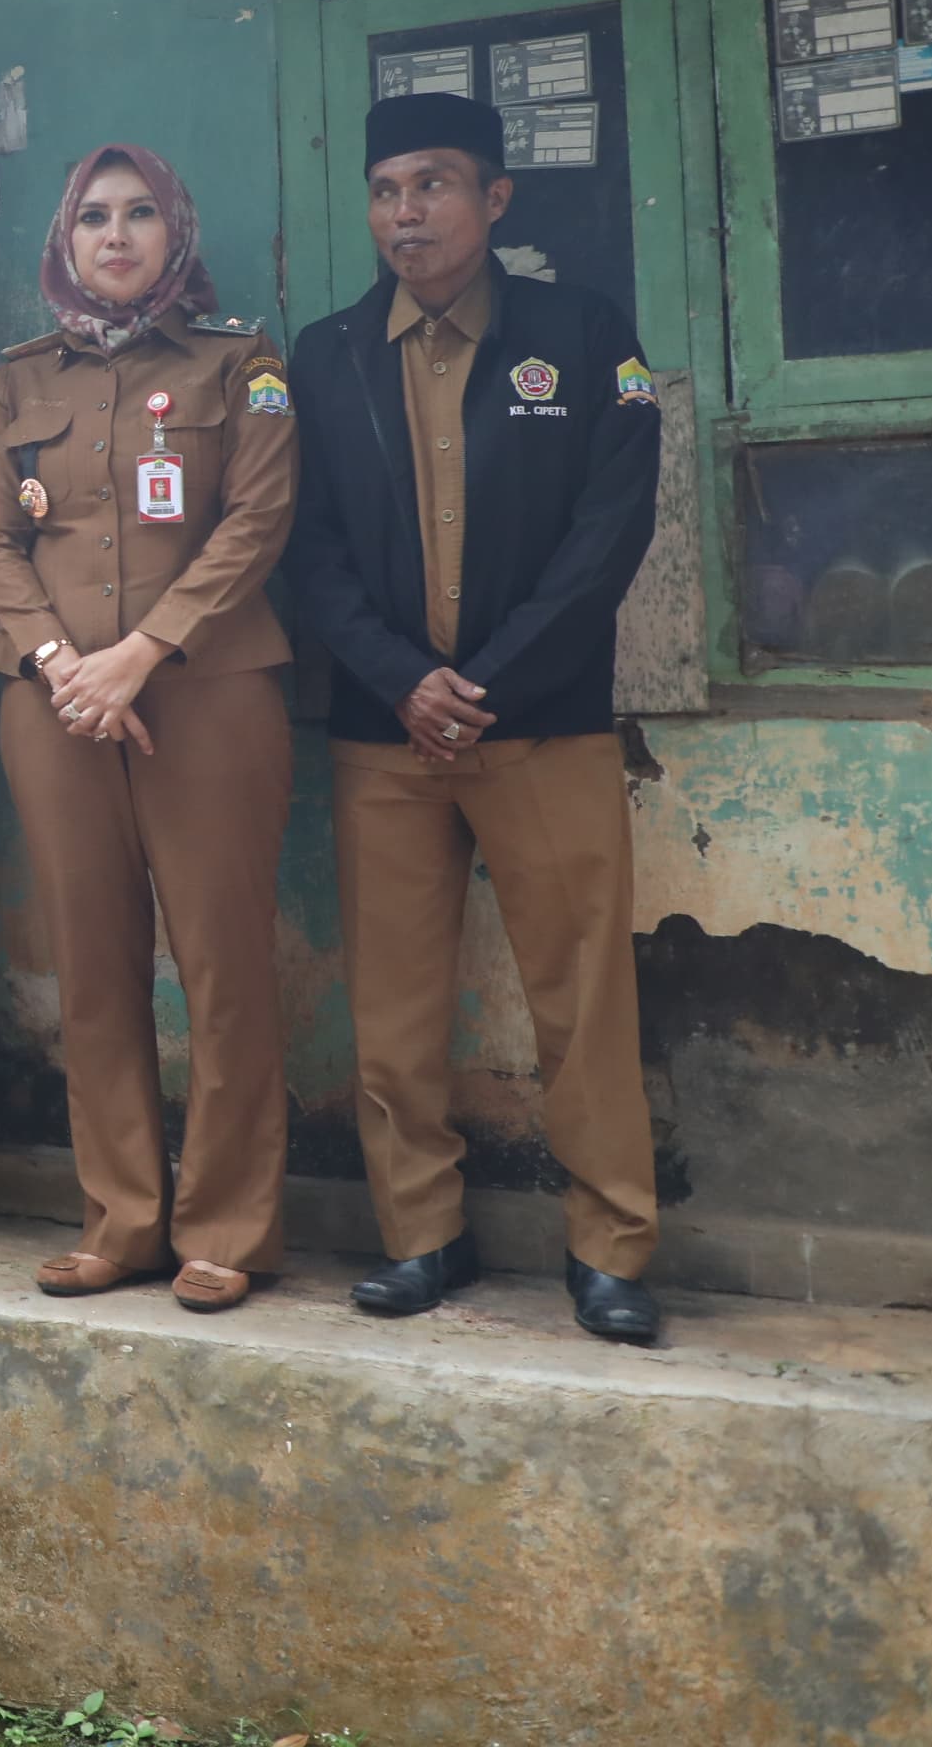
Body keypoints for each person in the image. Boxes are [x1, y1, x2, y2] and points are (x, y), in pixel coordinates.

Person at [287, 91, 667, 1344]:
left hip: (543, 726)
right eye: (389, 187)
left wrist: (486, 680)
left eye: (437, 184)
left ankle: (611, 1248)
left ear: (495, 198)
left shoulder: (581, 329)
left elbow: (608, 532)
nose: (410, 211)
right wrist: (405, 678)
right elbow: (311, 548)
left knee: (582, 999)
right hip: (384, 736)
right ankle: (423, 1237)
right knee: (393, 1014)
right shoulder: (328, 352)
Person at [0, 147, 299, 1313]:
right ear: (66, 238)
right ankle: (122, 1217)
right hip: (55, 707)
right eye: (95, 216)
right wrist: (67, 665)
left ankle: (226, 1225)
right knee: (93, 965)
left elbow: (257, 518)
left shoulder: (239, 363)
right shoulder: (18, 379)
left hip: (207, 693)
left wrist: (140, 655)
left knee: (223, 964)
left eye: (141, 212)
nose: (117, 234)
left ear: (176, 229)